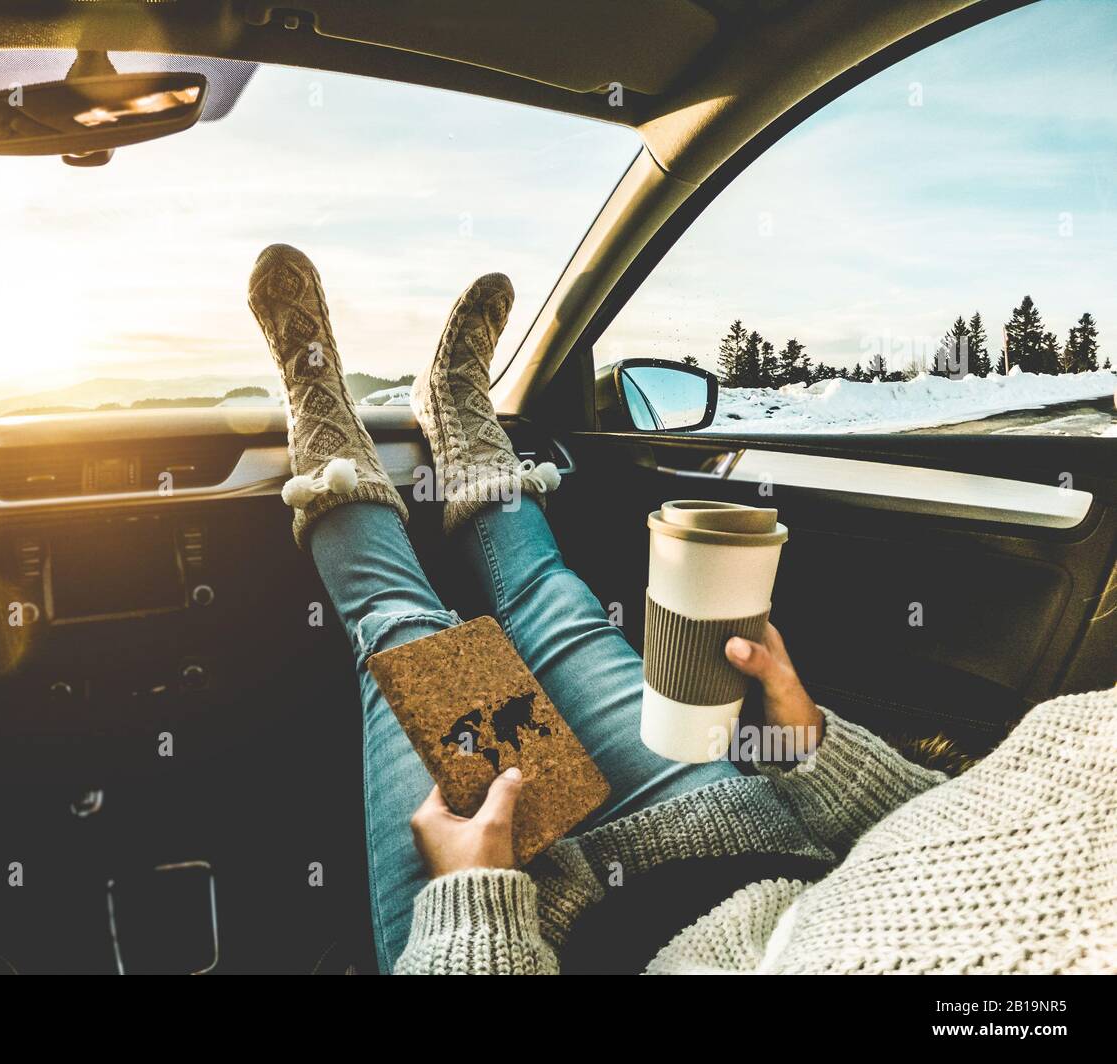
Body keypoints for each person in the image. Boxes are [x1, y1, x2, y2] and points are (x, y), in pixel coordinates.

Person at [247, 244, 1115, 975]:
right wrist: (815, 750)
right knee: (561, 607)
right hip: (740, 838)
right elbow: (953, 836)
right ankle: (461, 424)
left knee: (407, 634)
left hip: (544, 933)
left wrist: (477, 914)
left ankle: (322, 410)